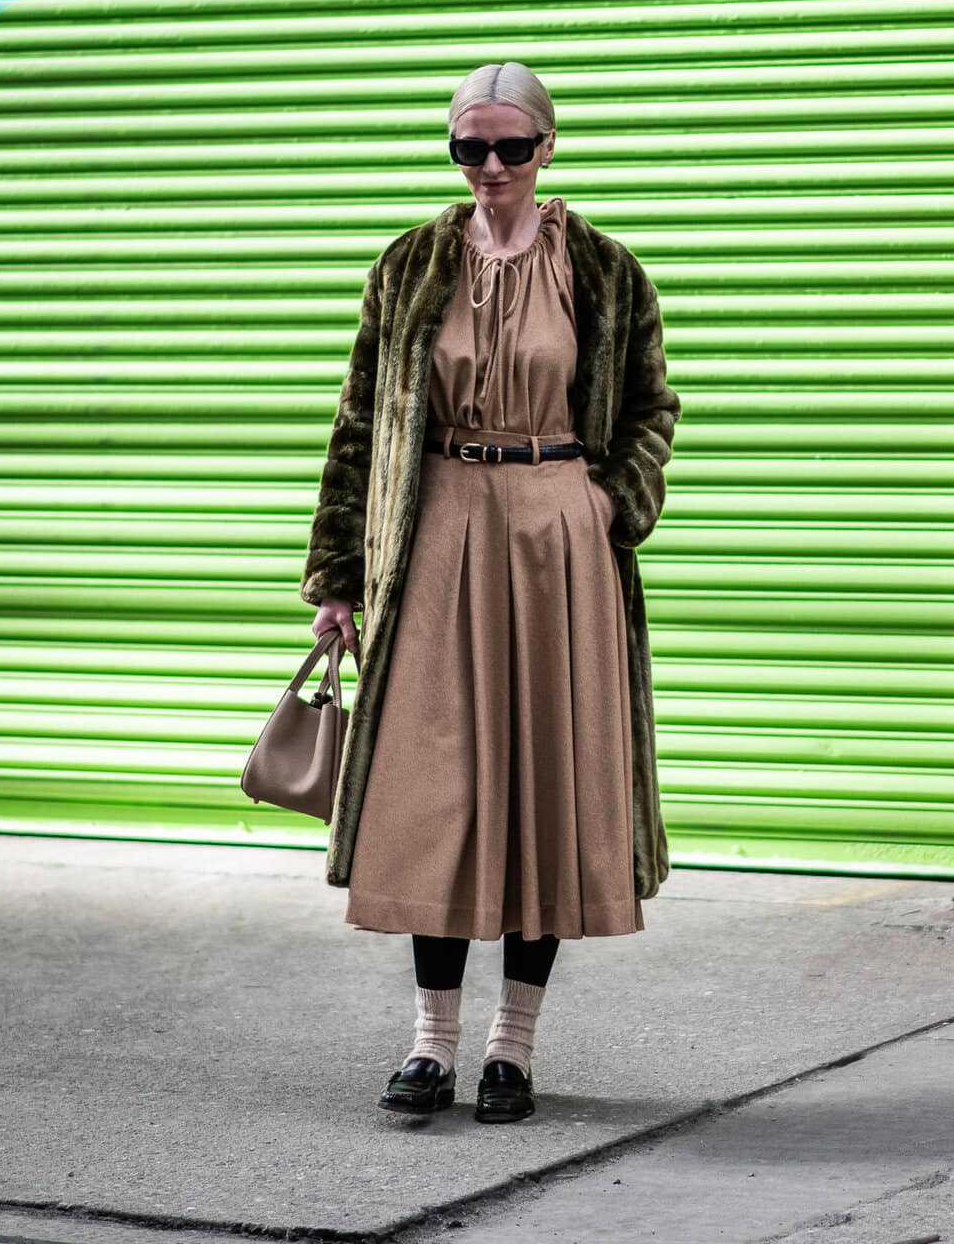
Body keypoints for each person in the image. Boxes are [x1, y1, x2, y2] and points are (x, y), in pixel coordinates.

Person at [302, 61, 678, 1123]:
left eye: (512, 146)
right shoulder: (409, 265)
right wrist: (339, 575)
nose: (492, 166)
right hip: (436, 531)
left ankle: (512, 1046)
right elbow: (358, 421)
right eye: (471, 148)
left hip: (561, 538)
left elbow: (652, 408)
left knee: (545, 791)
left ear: (549, 146)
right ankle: (430, 1043)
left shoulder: (604, 269)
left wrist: (611, 503)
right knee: (436, 790)